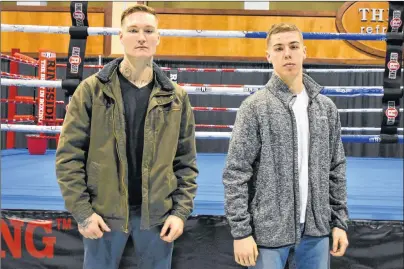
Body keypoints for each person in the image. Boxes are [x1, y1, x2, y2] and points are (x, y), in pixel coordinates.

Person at [55, 4, 198, 269]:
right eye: (133, 30)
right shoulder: (90, 91)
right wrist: (83, 212)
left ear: (158, 37)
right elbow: (68, 157)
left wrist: (180, 213)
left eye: (148, 30)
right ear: (120, 37)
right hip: (103, 216)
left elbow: (186, 163)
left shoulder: (176, 98)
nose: (141, 37)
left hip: (157, 218)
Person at [222, 23, 349, 269]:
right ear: (268, 56)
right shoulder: (254, 107)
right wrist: (240, 232)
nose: (287, 53)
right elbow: (236, 173)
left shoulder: (325, 108)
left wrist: (339, 223)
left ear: (304, 51)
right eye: (279, 48)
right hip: (268, 233)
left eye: (293, 46)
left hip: (317, 231)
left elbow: (336, 169)